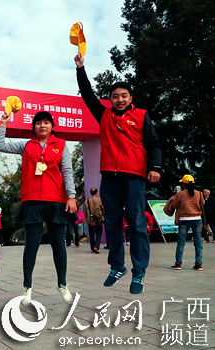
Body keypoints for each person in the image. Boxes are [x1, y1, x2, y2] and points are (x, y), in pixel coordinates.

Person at [75, 54, 162, 294]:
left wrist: (155, 167)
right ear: (110, 100)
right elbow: (87, 95)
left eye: (124, 96)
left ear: (130, 98)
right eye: (115, 96)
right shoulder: (103, 115)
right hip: (109, 179)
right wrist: (80, 69)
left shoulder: (142, 116)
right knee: (111, 224)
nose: (120, 99)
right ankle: (116, 267)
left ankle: (139, 272)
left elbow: (153, 143)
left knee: (136, 224)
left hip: (133, 177)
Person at [0, 111, 77, 306]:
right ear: (34, 127)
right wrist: (3, 125)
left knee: (59, 245)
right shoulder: (26, 145)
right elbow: (0, 145)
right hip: (32, 201)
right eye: (38, 123)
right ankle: (27, 288)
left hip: (56, 200)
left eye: (46, 123)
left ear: (52, 126)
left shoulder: (61, 145)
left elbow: (67, 171)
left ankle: (62, 284)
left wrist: (71, 196)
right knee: (31, 245)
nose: (42, 126)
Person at [165, 175, 204, 270]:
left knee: (181, 243)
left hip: (184, 220)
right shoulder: (198, 193)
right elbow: (202, 203)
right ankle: (198, 264)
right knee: (198, 243)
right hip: (197, 219)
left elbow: (174, 205)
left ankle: (178, 264)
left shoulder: (180, 194)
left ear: (183, 185)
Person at [84, 188, 105, 254]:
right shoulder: (99, 200)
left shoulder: (87, 201)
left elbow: (85, 211)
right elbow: (103, 208)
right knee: (99, 233)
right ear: (96, 193)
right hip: (98, 218)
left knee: (91, 233)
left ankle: (92, 247)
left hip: (90, 219)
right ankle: (96, 246)